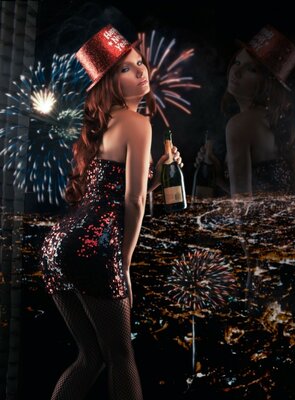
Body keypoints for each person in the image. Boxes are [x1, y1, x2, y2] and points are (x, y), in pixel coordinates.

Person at [40, 25, 182, 399]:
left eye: (140, 63)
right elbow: (133, 202)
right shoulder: (139, 124)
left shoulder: (102, 125)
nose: (141, 71)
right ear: (109, 84)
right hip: (94, 250)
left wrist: (159, 170)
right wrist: (125, 264)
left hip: (57, 246)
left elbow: (111, 193)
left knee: (90, 357)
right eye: (126, 68)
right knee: (121, 357)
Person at [195, 25, 295, 197]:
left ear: (267, 85)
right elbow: (253, 200)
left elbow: (243, 207)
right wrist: (218, 178)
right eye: (237, 63)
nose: (236, 72)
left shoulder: (240, 124)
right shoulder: (267, 120)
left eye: (251, 69)